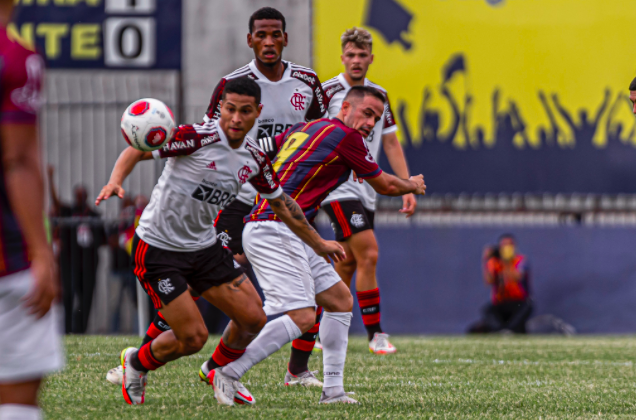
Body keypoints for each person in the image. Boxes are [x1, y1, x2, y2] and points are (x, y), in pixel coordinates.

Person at [105, 6, 332, 389]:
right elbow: (142, 148)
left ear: (256, 113)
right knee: (191, 330)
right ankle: (140, 357)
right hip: (169, 240)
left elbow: (312, 149)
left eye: (245, 112)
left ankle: (227, 371)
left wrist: (320, 240)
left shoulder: (296, 98)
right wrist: (114, 181)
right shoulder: (200, 134)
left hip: (211, 239)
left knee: (259, 314)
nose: (236, 119)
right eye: (230, 110)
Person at [209, 85, 426, 406]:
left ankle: (333, 391)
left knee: (339, 300)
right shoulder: (346, 137)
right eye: (366, 113)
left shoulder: (305, 127)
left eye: (377, 118)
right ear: (344, 108)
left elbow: (258, 152)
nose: (370, 123)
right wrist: (412, 184)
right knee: (302, 316)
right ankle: (227, 372)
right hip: (274, 229)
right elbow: (385, 184)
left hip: (290, 229)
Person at [306, 27, 416, 356]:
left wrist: (406, 184)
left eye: (361, 55)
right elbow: (308, 132)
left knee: (348, 261)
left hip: (367, 190)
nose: (356, 60)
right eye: (350, 55)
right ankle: (376, 334)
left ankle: (317, 330)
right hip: (337, 187)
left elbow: (391, 140)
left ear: (371, 58)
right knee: (369, 252)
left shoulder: (379, 95)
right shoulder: (327, 92)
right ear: (342, 58)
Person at [0, 1, 63, 418]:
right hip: (7, 260)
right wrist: (42, 252)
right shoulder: (15, 59)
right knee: (17, 403)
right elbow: (18, 161)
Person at [48, 167, 105, 333]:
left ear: (86, 196)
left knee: (86, 298)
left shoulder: (94, 215)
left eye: (82, 195)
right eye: (77, 195)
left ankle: (81, 329)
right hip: (69, 263)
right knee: (68, 297)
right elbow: (56, 202)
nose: (80, 198)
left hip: (88, 265)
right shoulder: (69, 212)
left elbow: (102, 239)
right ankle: (66, 329)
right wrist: (50, 179)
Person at [468, 234, 532, 334]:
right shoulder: (494, 262)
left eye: (509, 245)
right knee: (487, 311)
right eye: (504, 245)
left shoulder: (520, 260)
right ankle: (500, 331)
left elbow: (517, 276)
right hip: (501, 303)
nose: (507, 248)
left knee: (527, 306)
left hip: (518, 302)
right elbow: (489, 281)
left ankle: (510, 329)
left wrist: (505, 262)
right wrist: (486, 261)